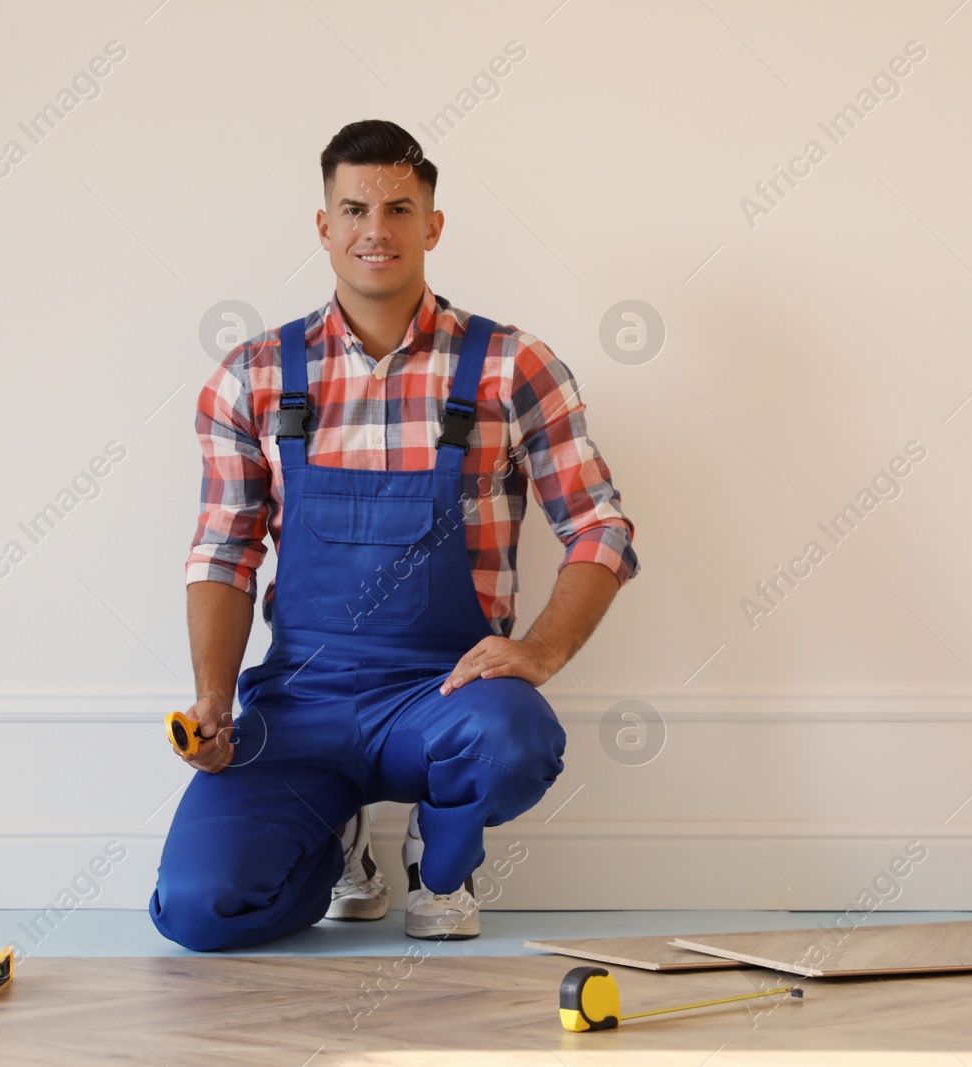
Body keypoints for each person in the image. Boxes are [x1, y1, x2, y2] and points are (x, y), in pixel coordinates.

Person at [150, 119, 639, 950]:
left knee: (515, 737)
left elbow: (601, 527)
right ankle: (333, 837)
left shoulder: (510, 367)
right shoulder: (255, 376)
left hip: (443, 695)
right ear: (324, 225)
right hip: (302, 703)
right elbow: (224, 552)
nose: (376, 229)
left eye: (400, 208)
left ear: (433, 225)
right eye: (354, 208)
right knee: (201, 908)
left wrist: (542, 652)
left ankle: (438, 865)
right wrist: (212, 700)